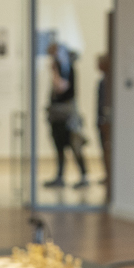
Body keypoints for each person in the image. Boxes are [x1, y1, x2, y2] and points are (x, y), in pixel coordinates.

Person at [43, 41, 88, 189]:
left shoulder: (67, 69)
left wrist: (54, 72)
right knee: (59, 147)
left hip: (67, 116)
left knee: (74, 145)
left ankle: (84, 176)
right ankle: (60, 176)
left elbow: (61, 87)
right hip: (58, 115)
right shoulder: (62, 67)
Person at [94, 51, 111, 190]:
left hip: (106, 121)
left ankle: (110, 176)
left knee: (108, 149)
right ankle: (107, 175)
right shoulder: (102, 82)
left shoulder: (110, 82)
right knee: (103, 150)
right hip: (101, 120)